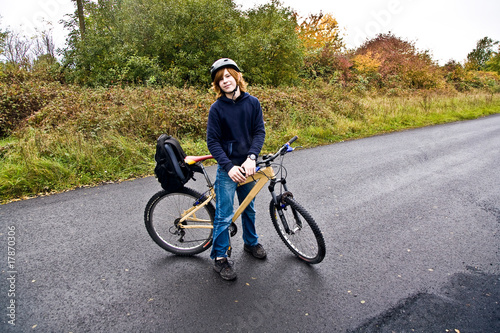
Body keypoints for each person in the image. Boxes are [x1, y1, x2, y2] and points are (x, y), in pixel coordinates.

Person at [206, 58, 266, 281]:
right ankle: (219, 258)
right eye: (220, 79)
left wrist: (252, 157)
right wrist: (229, 167)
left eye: (228, 76)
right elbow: (213, 142)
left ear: (237, 76)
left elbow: (259, 132)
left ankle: (251, 243)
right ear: (217, 84)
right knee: (224, 215)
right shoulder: (217, 108)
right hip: (228, 169)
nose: (225, 81)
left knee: (248, 208)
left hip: (247, 165)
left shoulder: (253, 103)